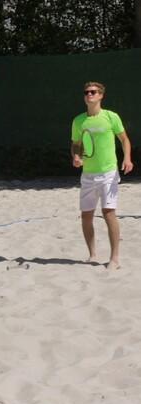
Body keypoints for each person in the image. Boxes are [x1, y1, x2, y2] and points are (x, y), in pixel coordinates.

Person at [71, 81, 133, 270]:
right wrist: (76, 156)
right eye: (86, 92)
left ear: (101, 95)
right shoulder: (78, 120)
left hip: (108, 172)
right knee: (86, 216)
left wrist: (127, 158)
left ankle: (114, 259)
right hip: (88, 174)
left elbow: (124, 139)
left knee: (108, 213)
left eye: (93, 92)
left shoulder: (111, 116)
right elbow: (76, 144)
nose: (89, 94)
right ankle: (92, 255)